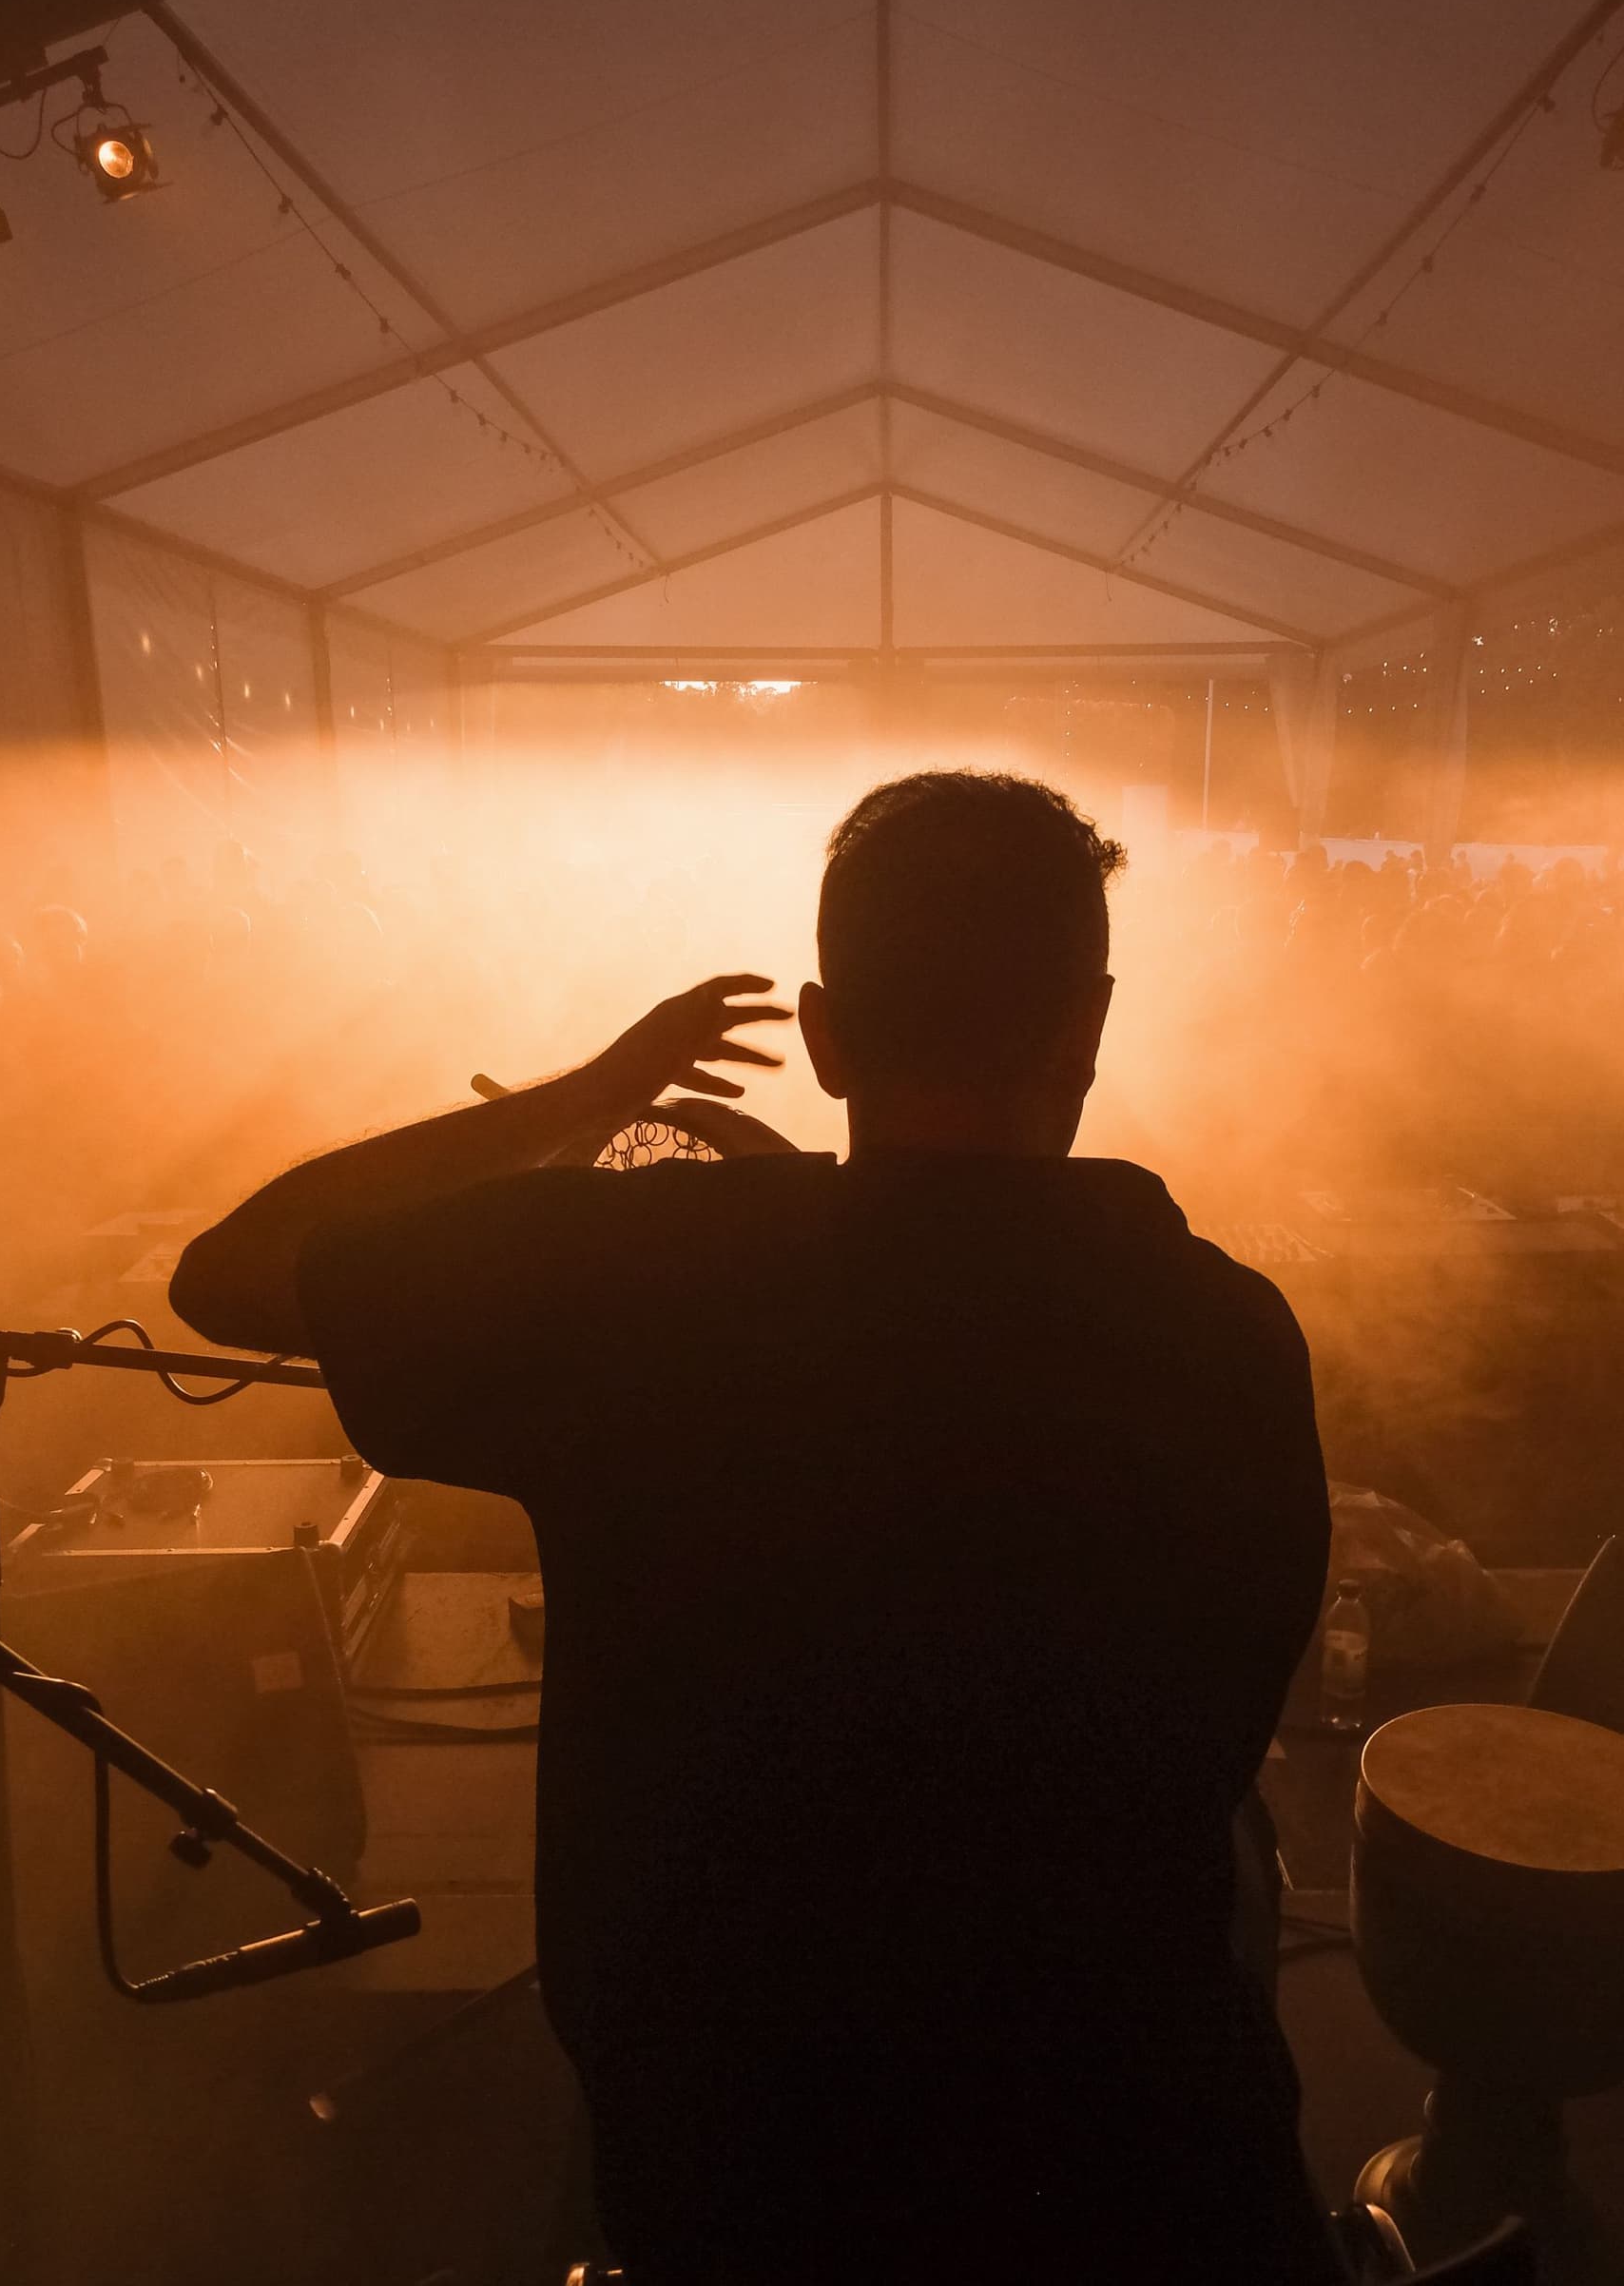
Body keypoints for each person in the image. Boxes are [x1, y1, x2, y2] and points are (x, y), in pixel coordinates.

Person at [171, 771, 1339, 2284]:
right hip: (1120, 2131)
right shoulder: (1230, 1333)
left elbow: (234, 1270)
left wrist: (589, 1105)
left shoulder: (655, 1289)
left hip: (737, 2132)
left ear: (823, 1033)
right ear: (1089, 1024)